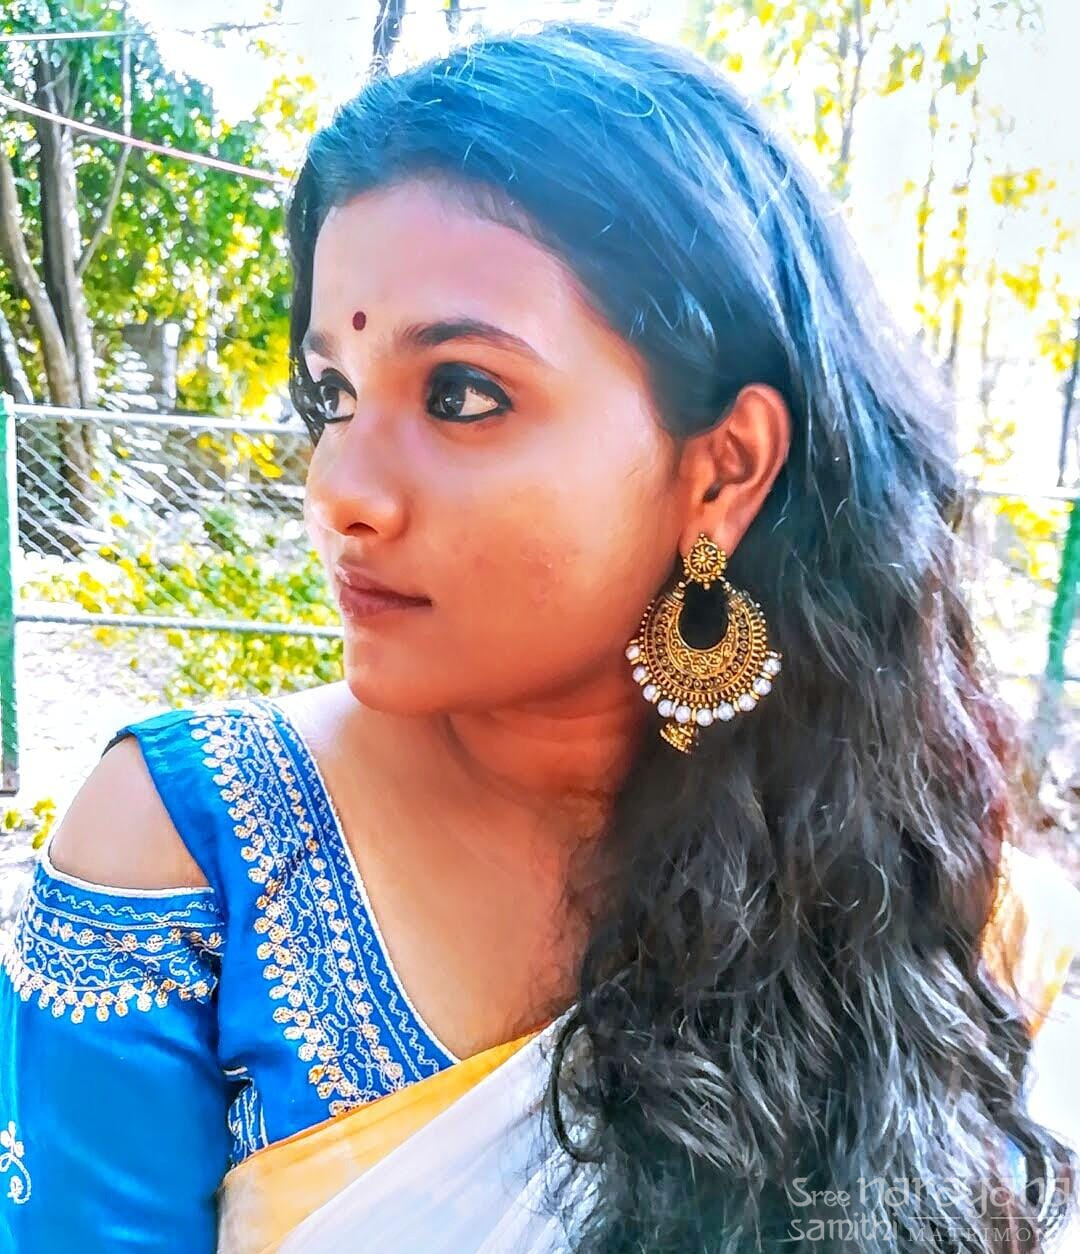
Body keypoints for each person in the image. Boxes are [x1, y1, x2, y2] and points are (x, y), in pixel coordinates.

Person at [2, 20, 1078, 1254]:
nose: (339, 488)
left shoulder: (963, 915)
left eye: (461, 393)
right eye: (331, 395)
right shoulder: (187, 850)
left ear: (723, 470)